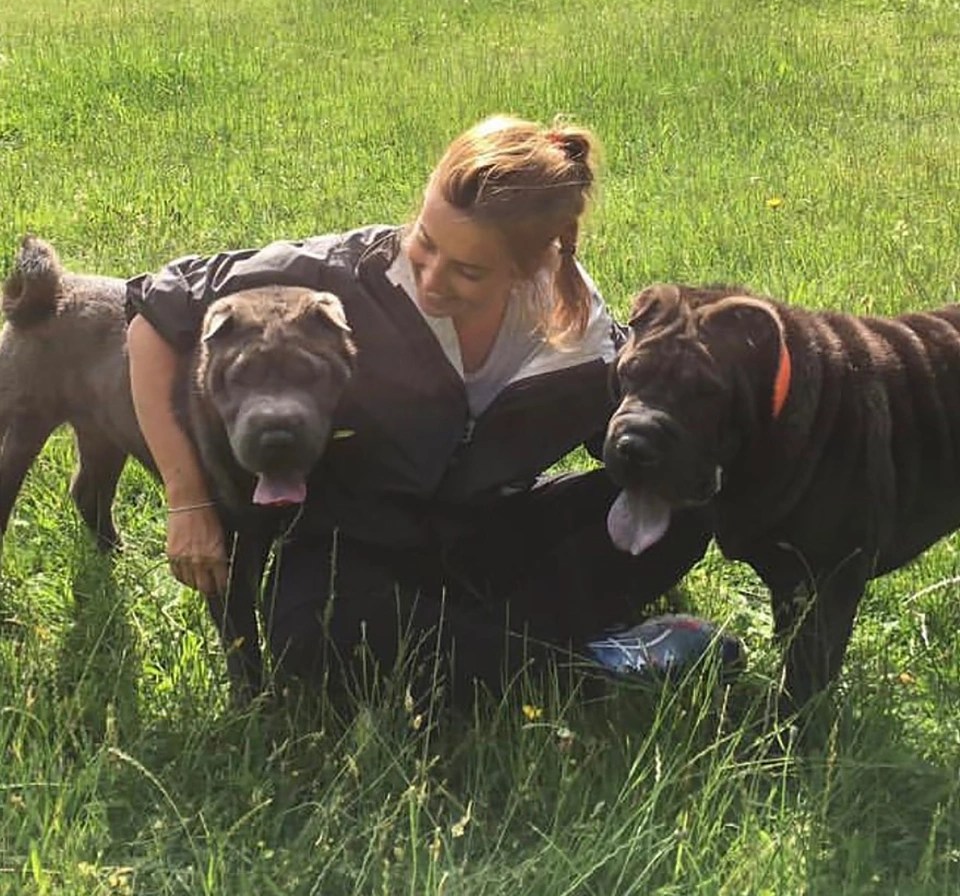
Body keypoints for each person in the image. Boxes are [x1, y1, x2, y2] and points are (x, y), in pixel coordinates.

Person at [126, 114, 712, 706]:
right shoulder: (347, 273)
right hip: (356, 543)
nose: (430, 277)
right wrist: (188, 497)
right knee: (309, 637)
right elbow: (153, 312)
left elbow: (634, 434)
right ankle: (581, 660)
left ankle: (474, 647)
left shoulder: (581, 338)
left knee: (681, 507)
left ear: (531, 268)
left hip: (492, 532)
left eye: (468, 270)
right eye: (426, 242)